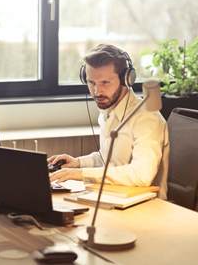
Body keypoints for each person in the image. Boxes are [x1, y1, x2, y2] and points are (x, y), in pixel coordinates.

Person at [49, 44, 169, 199]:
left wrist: (80, 174)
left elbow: (141, 175)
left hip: (146, 206)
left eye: (105, 83)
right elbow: (109, 159)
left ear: (126, 79)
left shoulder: (146, 118)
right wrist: (78, 163)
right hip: (113, 196)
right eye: (91, 83)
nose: (97, 92)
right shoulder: (108, 111)